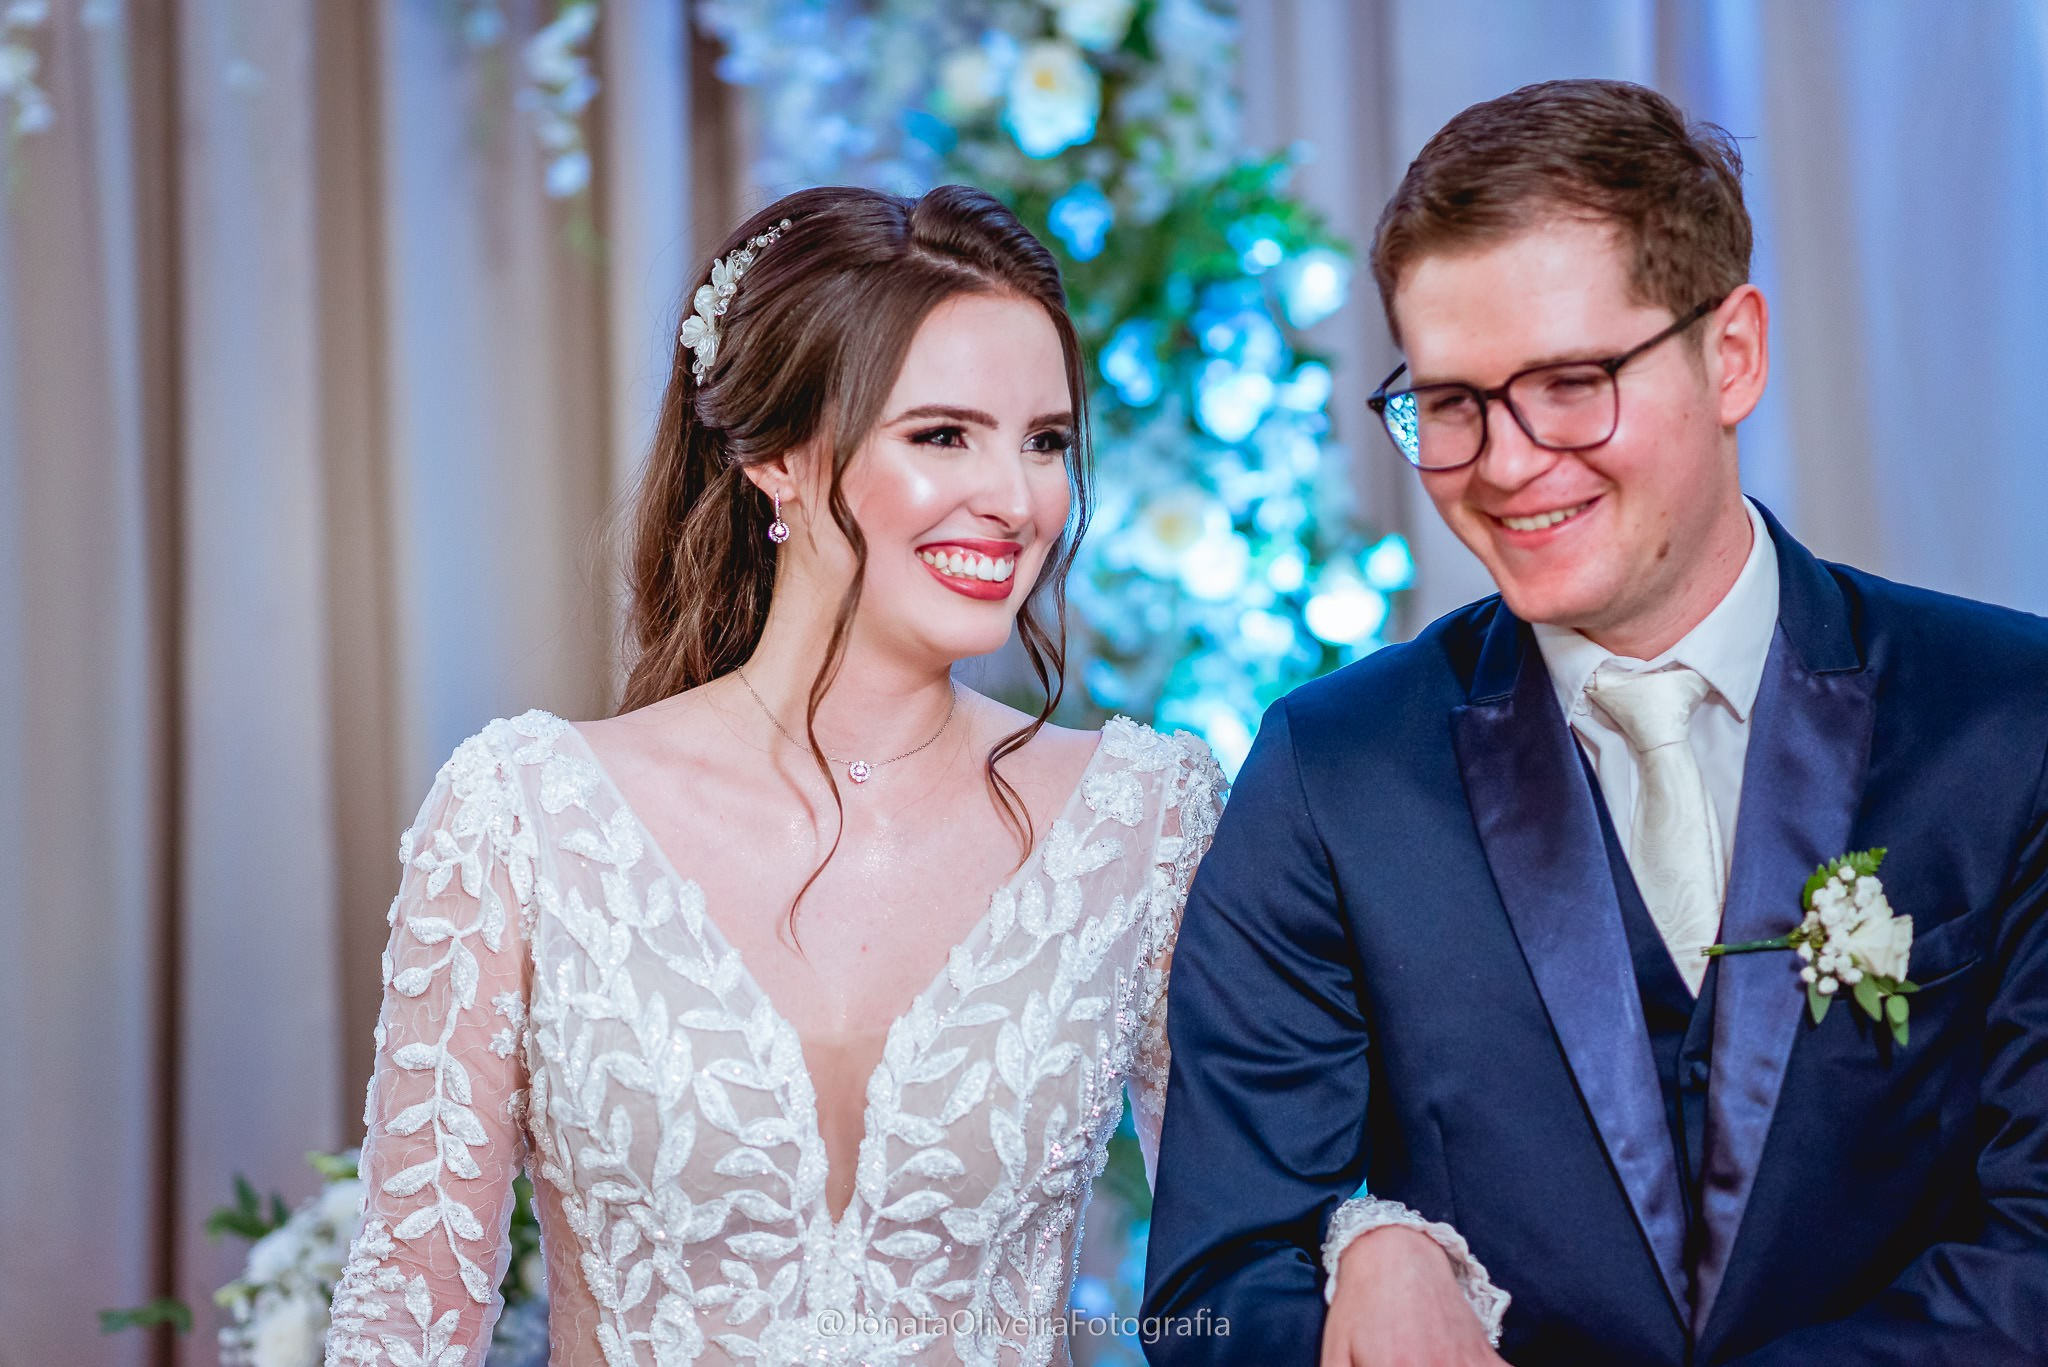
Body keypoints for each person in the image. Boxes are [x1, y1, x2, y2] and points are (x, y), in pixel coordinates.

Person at [1142, 78, 2048, 1366]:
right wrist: (1370, 1254)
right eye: (1450, 402)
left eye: (1569, 382)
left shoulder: (2010, 726)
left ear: (1728, 353)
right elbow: (1203, 1295)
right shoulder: (1326, 775)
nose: (1505, 461)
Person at [324, 184, 1228, 1366]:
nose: (1016, 500)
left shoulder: (1143, 820)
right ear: (778, 458)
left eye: (1046, 440)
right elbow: (404, 1323)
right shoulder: (524, 816)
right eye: (942, 433)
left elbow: (1243, 1266)